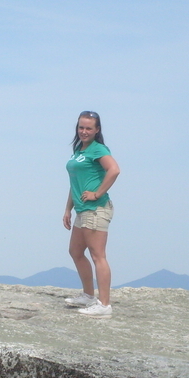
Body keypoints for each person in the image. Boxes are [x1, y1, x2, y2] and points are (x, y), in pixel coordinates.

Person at [63, 111, 120, 317]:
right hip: (82, 209)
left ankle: (104, 305)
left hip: (95, 210)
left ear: (97, 130)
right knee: (75, 252)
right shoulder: (80, 149)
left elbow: (114, 170)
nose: (84, 131)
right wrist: (68, 208)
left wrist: (97, 193)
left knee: (98, 256)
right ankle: (88, 295)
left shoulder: (98, 149)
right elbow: (75, 182)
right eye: (81, 127)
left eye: (88, 128)